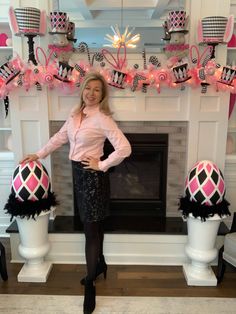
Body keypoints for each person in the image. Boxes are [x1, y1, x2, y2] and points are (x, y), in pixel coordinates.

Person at [20, 71, 131, 314]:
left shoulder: (102, 118)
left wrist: (101, 164)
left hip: (92, 177)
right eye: (88, 88)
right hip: (78, 175)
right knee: (94, 226)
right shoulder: (74, 115)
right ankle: (99, 265)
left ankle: (90, 282)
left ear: (102, 95)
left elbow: (125, 148)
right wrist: (38, 154)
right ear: (82, 90)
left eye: (97, 90)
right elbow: (60, 137)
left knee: (91, 230)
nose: (91, 93)